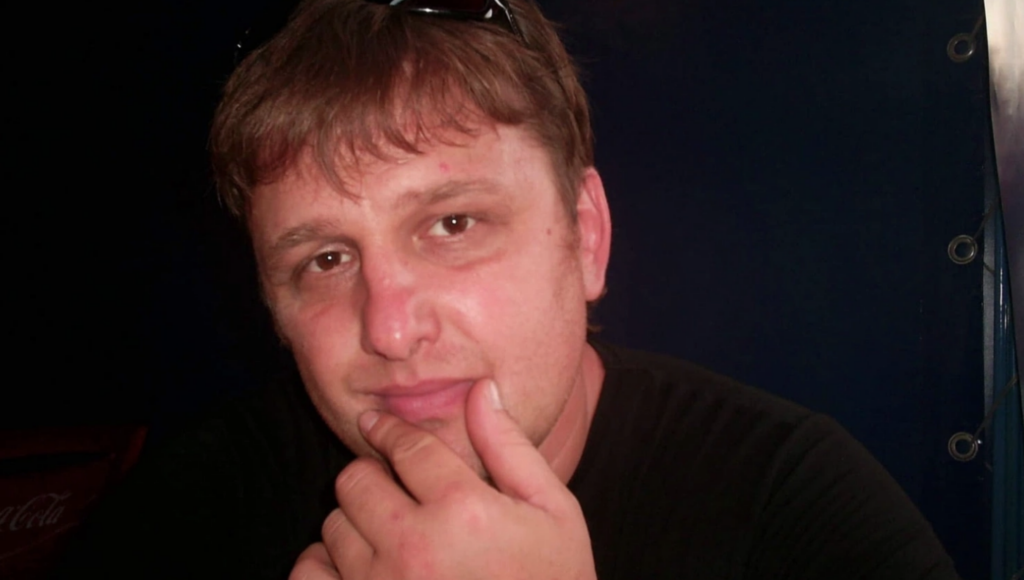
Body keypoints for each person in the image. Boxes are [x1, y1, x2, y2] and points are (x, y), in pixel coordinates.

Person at [57, 0, 962, 578]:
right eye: (325, 260)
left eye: (452, 224)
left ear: (587, 236)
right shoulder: (195, 510)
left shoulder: (794, 505)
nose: (392, 328)